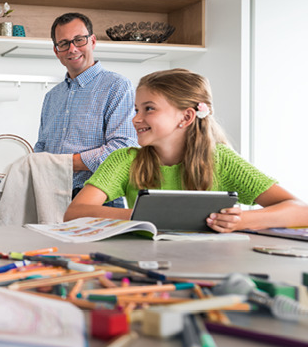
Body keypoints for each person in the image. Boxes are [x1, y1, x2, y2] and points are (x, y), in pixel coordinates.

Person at [65, 68, 308, 232]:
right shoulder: (124, 160)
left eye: (148, 109)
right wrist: (146, 217)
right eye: (136, 109)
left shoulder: (222, 160)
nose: (136, 119)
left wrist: (241, 220)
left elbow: (301, 210)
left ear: (186, 117)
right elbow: (75, 212)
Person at [33, 12, 138, 207]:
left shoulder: (118, 86)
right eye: (64, 43)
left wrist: (61, 164)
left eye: (79, 40)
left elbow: (123, 149)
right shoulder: (52, 97)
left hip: (99, 197)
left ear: (93, 41)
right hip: (51, 196)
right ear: (57, 51)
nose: (72, 49)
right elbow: (42, 146)